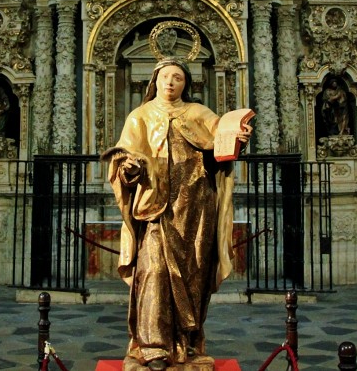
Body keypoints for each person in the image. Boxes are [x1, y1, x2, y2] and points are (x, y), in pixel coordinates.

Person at [103, 59, 252, 370]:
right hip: (156, 207)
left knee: (194, 274)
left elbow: (222, 146)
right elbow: (122, 158)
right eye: (165, 77)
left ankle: (188, 343)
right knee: (154, 270)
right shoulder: (140, 117)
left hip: (197, 206)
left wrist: (239, 137)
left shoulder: (199, 113)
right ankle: (153, 347)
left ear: (187, 83)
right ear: (154, 81)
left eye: (178, 78)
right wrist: (129, 167)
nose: (171, 82)